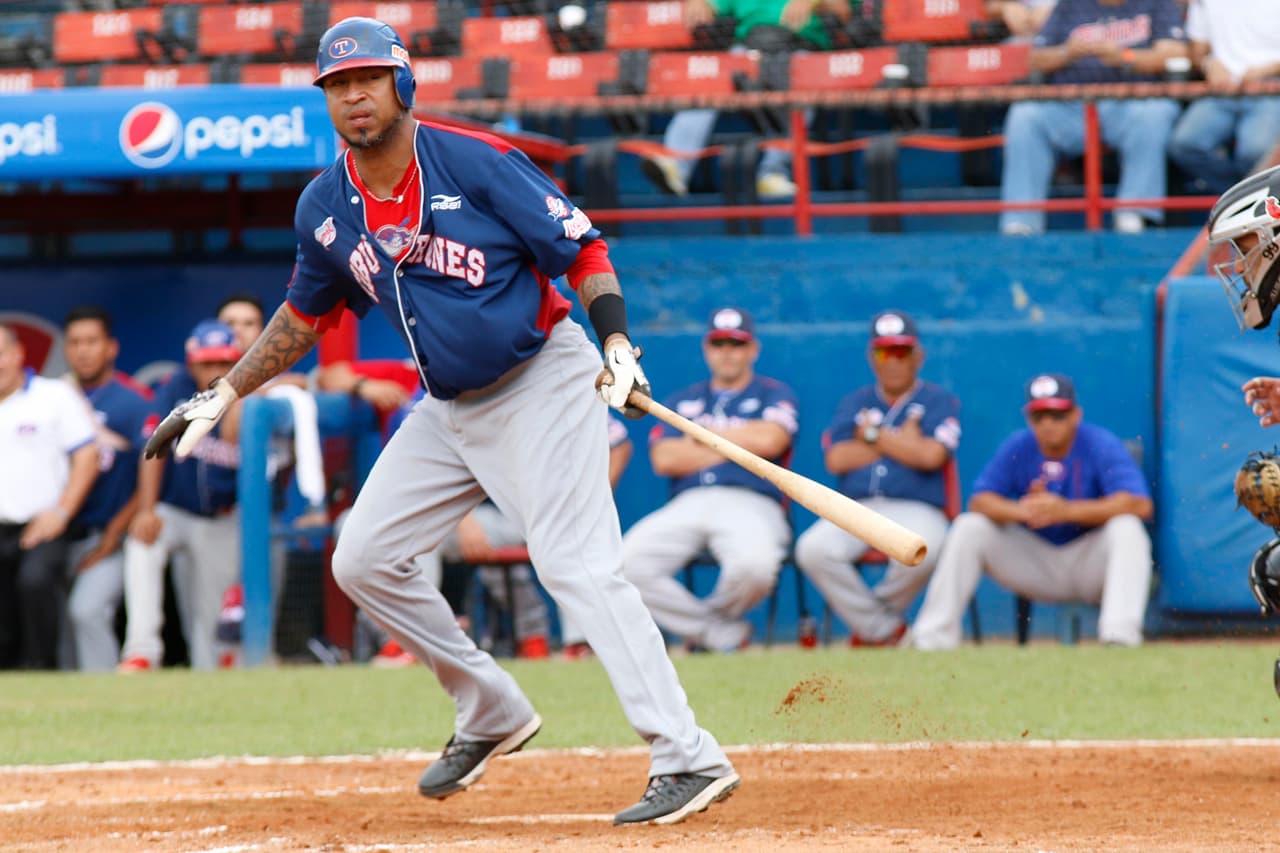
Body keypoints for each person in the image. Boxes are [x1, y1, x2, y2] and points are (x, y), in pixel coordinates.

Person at [141, 17, 738, 825]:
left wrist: (620, 344)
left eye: (368, 80)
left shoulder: (474, 161)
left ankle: (688, 754)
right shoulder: (326, 205)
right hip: (448, 405)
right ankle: (489, 705)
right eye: (337, 85)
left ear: (402, 84)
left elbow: (582, 249)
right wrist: (225, 391)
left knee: (575, 565)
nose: (354, 96)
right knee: (364, 557)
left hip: (542, 378)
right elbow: (303, 313)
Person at [910, 373, 1153, 649]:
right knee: (970, 526)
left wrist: (1067, 511)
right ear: (1029, 420)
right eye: (1039, 417)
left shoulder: (1099, 443)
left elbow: (1139, 504)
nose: (1048, 424)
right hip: (1034, 562)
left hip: (1090, 564)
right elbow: (979, 501)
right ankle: (931, 640)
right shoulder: (1020, 445)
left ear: (1076, 415)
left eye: (1056, 414)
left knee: (1127, 528)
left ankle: (1119, 638)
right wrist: (1023, 511)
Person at [621, 307, 798, 652]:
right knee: (625, 566)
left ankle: (706, 633)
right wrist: (736, 442)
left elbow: (772, 440)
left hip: (753, 501)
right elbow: (664, 458)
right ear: (707, 349)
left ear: (752, 350)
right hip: (688, 502)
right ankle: (719, 634)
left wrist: (699, 438)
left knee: (755, 568)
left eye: (737, 343)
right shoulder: (682, 399)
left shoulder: (774, 393)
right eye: (720, 343)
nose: (728, 351)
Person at [793, 310, 961, 646]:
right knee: (812, 549)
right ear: (873, 357)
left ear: (918, 357)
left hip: (917, 507)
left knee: (923, 551)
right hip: (857, 506)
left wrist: (871, 435)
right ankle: (886, 631)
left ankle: (871, 629)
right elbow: (837, 459)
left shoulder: (939, 401)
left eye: (901, 352)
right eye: (885, 352)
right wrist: (902, 441)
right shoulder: (854, 402)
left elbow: (931, 457)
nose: (893, 361)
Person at [997, 0, 1187, 236]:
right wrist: (1066, 52)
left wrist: (1125, 56)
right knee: (1026, 116)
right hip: (1070, 106)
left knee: (1155, 112)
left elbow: (1176, 53)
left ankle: (1134, 212)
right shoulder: (1070, 5)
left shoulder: (1156, 4)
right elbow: (1035, 59)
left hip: (1131, 104)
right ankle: (1021, 220)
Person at [118, 320, 244, 671]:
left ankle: (206, 687)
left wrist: (246, 398)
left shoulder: (252, 389)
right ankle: (141, 651)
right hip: (174, 511)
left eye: (225, 362)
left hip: (219, 519)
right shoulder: (176, 386)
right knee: (142, 543)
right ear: (191, 363)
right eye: (208, 363)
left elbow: (302, 381)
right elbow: (153, 444)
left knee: (209, 621)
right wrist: (146, 509)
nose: (216, 370)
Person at [640, 0, 853, 200]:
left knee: (803, 90)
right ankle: (676, 165)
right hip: (748, 49)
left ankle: (772, 173)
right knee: (710, 82)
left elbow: (844, 10)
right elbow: (711, 5)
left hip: (803, 50)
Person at [0, 323, 99, 670]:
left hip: (43, 524)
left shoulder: (53, 395)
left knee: (35, 582)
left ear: (17, 354)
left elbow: (88, 456)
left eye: (1, 354)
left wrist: (61, 511)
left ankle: (42, 671)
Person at [60, 305, 152, 672]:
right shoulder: (54, 397)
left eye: (91, 341)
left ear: (110, 347)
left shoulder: (134, 400)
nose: (83, 350)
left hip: (108, 535)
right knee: (60, 623)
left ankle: (104, 692)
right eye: (75, 342)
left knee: (86, 611)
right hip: (59, 535)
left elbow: (151, 478)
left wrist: (113, 535)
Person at [1167, 0, 1280, 195]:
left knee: (1255, 150)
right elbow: (1198, 50)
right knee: (1184, 144)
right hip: (1221, 91)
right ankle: (1243, 198)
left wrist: (1267, 70)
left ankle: (1247, 199)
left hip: (1271, 88)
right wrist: (1208, 64)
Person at [560, 412, 633, 659]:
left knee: (574, 541)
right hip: (493, 507)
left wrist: (593, 497)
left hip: (560, 508)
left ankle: (584, 644)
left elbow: (620, 444)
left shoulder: (562, 391)